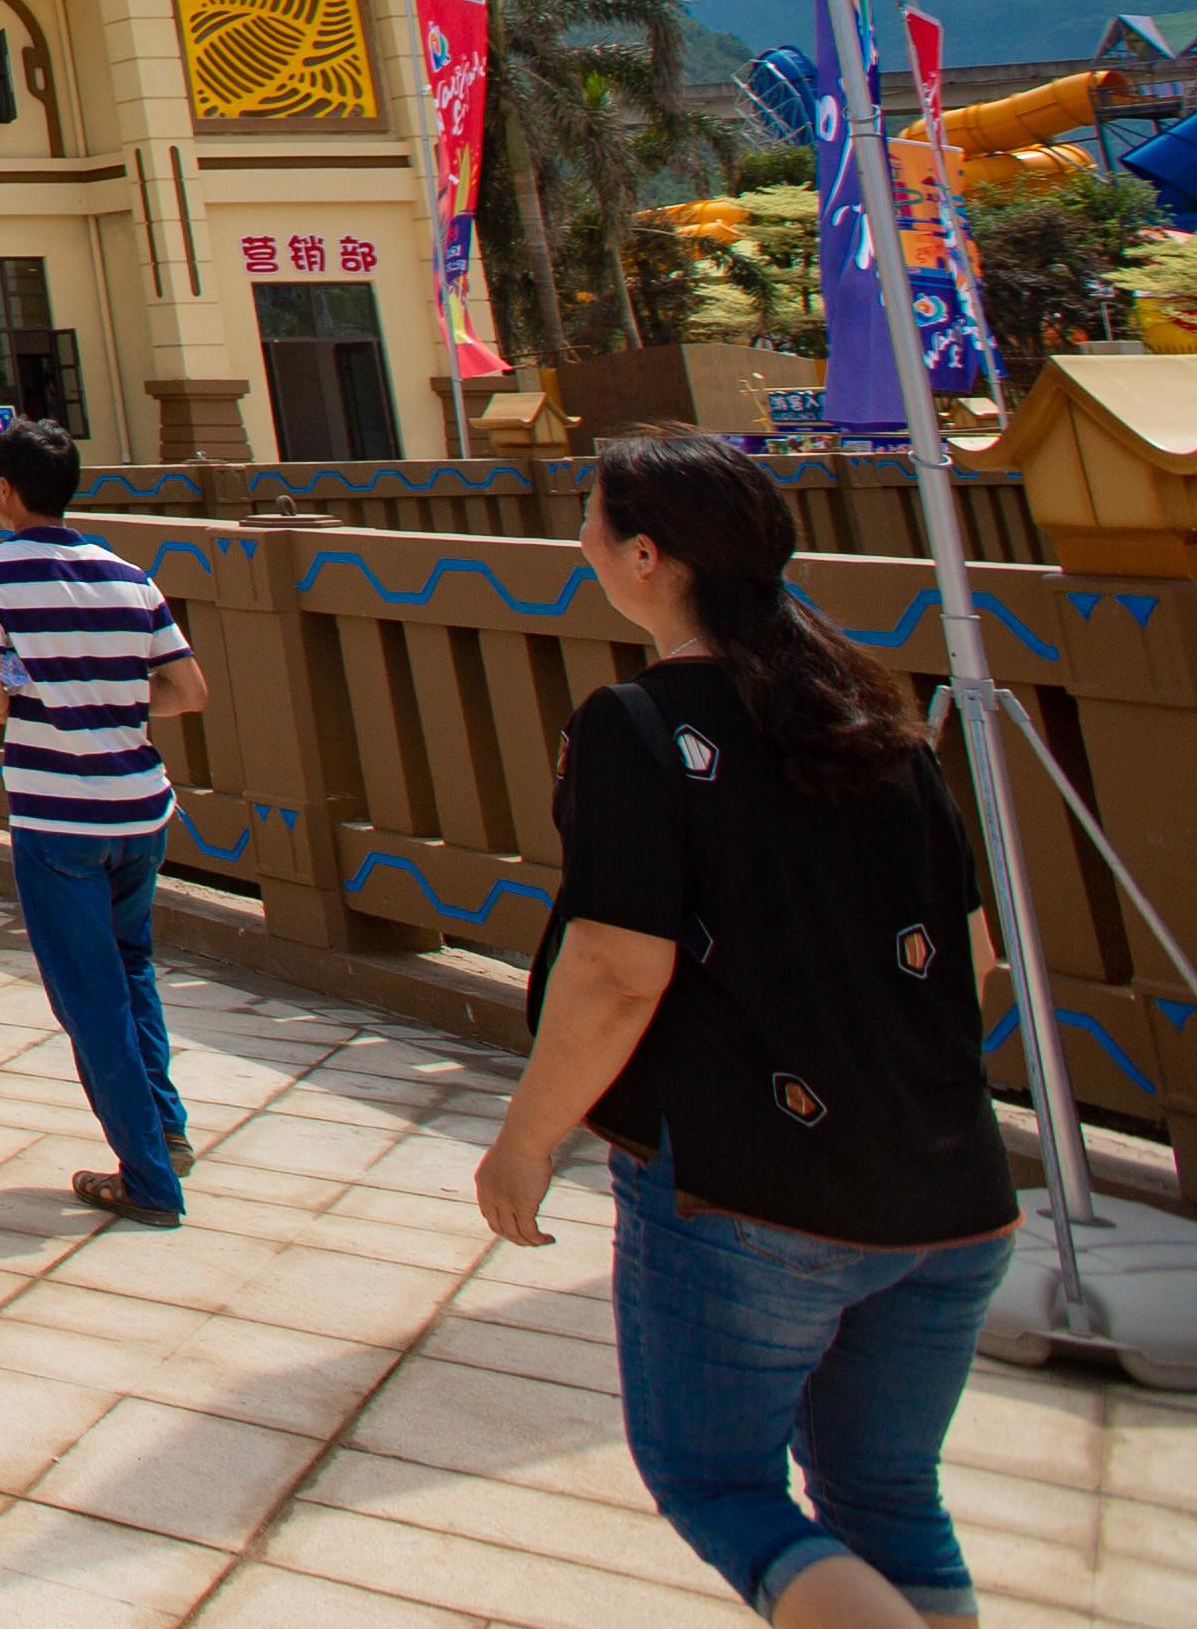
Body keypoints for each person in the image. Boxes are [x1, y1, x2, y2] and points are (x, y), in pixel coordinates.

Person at [477, 432, 1012, 1629]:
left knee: (717, 1481)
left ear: (648, 557)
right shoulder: (875, 717)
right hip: (951, 1184)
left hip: (748, 1191)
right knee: (884, 1491)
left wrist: (527, 1138)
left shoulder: (639, 727)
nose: (582, 539)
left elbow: (619, 969)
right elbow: (973, 959)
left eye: (594, 519)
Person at [0, 416, 208, 1224]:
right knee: (132, 968)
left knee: (86, 996)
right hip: (140, 805)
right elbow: (187, 690)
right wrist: (113, 707)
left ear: (3, 490)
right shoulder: (129, 576)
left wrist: (43, 699)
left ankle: (148, 1181)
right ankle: (166, 1130)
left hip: (58, 812)